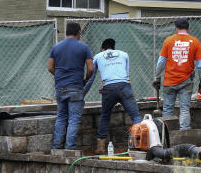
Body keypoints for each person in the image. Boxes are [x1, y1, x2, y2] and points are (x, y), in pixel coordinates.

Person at [84, 38, 142, 152]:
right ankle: (138, 143)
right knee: (135, 115)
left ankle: (100, 148)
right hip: (124, 86)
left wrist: (84, 92)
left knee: (105, 116)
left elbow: (91, 79)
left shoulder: (98, 56)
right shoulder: (124, 54)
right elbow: (126, 74)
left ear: (102, 48)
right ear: (113, 47)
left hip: (108, 88)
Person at [153, 18, 201, 130]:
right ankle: (184, 133)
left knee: (167, 108)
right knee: (184, 108)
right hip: (186, 80)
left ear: (176, 28)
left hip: (169, 80)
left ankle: (166, 135)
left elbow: (161, 62)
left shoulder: (168, 40)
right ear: (188, 28)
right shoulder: (195, 41)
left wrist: (157, 77)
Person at [47, 21, 94, 150]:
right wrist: (86, 79)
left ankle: (56, 147)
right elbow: (91, 68)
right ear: (78, 33)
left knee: (61, 117)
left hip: (60, 88)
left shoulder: (56, 47)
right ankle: (69, 149)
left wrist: (59, 76)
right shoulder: (83, 47)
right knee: (73, 119)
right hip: (76, 87)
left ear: (66, 32)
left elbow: (50, 67)